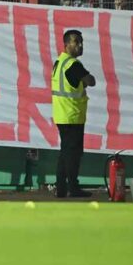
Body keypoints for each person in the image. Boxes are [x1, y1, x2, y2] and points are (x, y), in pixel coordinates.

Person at [51, 29, 95, 198]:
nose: (80, 45)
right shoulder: (73, 64)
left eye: (81, 42)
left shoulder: (59, 62)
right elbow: (91, 81)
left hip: (62, 114)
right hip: (72, 115)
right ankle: (73, 188)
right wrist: (86, 80)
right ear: (66, 44)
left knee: (65, 153)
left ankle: (61, 188)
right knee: (73, 155)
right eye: (76, 42)